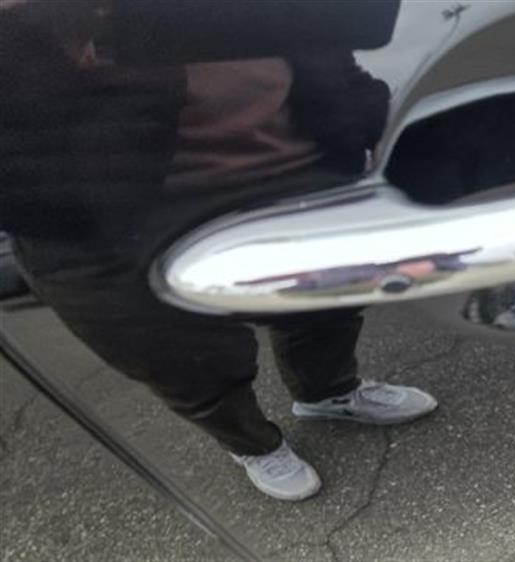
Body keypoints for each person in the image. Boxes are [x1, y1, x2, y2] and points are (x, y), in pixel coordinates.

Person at [0, 0, 433, 501]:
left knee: (326, 309)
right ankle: (253, 444)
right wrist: (82, 41)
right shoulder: (31, 26)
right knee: (189, 363)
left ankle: (329, 393)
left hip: (291, 179)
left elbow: (331, 62)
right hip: (109, 228)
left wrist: (372, 124)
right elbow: (28, 185)